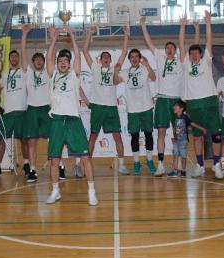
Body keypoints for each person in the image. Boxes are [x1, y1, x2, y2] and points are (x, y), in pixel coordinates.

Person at [45, 26, 97, 206]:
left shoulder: (74, 76)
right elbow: (49, 58)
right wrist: (53, 39)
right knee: (54, 160)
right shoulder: (52, 76)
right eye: (60, 60)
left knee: (85, 157)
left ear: (70, 63)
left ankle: (91, 191)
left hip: (73, 120)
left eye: (66, 60)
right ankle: (55, 191)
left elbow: (78, 54)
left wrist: (72, 36)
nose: (62, 62)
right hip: (57, 120)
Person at [178, 11, 222, 177]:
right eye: (191, 53)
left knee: (216, 135)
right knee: (197, 137)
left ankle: (217, 165)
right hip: (194, 104)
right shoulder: (186, 65)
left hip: (209, 102)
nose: (193, 55)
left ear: (201, 54)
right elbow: (181, 45)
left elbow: (209, 40)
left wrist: (208, 23)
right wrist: (182, 26)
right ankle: (200, 165)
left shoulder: (206, 61)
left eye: (196, 52)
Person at [140, 16, 184, 176]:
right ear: (165, 50)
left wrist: (182, 26)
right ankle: (160, 164)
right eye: (168, 48)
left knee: (179, 133)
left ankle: (177, 164)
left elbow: (182, 41)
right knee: (161, 133)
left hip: (177, 102)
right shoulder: (159, 57)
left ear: (176, 50)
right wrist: (143, 25)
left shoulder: (181, 61)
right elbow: (149, 41)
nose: (170, 50)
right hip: (162, 99)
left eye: (173, 48)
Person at [83, 26, 129, 175]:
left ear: (110, 60)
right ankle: (87, 165)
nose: (106, 59)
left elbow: (124, 53)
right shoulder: (95, 68)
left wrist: (126, 36)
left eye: (108, 58)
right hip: (97, 107)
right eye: (103, 57)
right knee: (93, 136)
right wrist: (89, 33)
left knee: (117, 136)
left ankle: (121, 164)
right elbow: (84, 51)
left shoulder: (114, 69)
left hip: (111, 107)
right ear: (100, 59)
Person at [12, 23, 50, 183]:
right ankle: (33, 170)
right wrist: (24, 35)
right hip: (33, 110)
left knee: (53, 139)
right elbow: (23, 52)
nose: (39, 62)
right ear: (33, 63)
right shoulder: (28, 73)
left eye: (41, 59)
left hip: (47, 109)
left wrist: (53, 37)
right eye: (37, 60)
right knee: (32, 142)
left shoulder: (49, 73)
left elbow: (51, 55)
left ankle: (60, 165)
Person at [116, 46, 157, 175]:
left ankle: (150, 160)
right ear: (129, 59)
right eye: (132, 57)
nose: (134, 59)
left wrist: (148, 64)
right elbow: (115, 82)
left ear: (140, 59)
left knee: (148, 135)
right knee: (134, 136)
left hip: (146, 107)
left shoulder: (144, 69)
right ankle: (136, 162)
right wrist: (116, 70)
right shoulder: (124, 72)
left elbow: (154, 78)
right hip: (133, 110)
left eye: (136, 57)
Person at [0, 47, 29, 180]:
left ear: (18, 59)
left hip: (21, 111)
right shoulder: (4, 74)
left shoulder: (24, 72)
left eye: (16, 56)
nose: (14, 58)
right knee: (2, 140)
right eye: (11, 57)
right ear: (9, 59)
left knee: (24, 140)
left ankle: (26, 164)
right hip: (7, 111)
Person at [167, 100, 203, 178]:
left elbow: (192, 123)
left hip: (183, 140)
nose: (174, 107)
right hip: (176, 140)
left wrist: (202, 128)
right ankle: (175, 171)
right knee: (175, 155)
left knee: (183, 156)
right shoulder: (174, 117)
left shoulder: (185, 117)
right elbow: (174, 128)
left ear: (181, 108)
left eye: (176, 106)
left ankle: (183, 171)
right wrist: (174, 137)